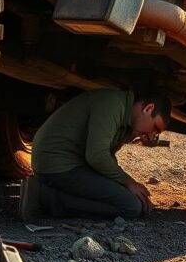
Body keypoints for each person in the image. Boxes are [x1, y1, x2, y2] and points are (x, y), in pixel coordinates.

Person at [19, 89, 172, 221]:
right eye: (155, 128)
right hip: (57, 165)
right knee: (130, 207)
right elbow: (97, 156)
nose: (152, 135)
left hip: (73, 164)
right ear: (148, 108)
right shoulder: (112, 104)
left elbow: (106, 156)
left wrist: (127, 186)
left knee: (132, 201)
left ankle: (48, 194)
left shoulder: (125, 114)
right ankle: (43, 197)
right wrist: (128, 182)